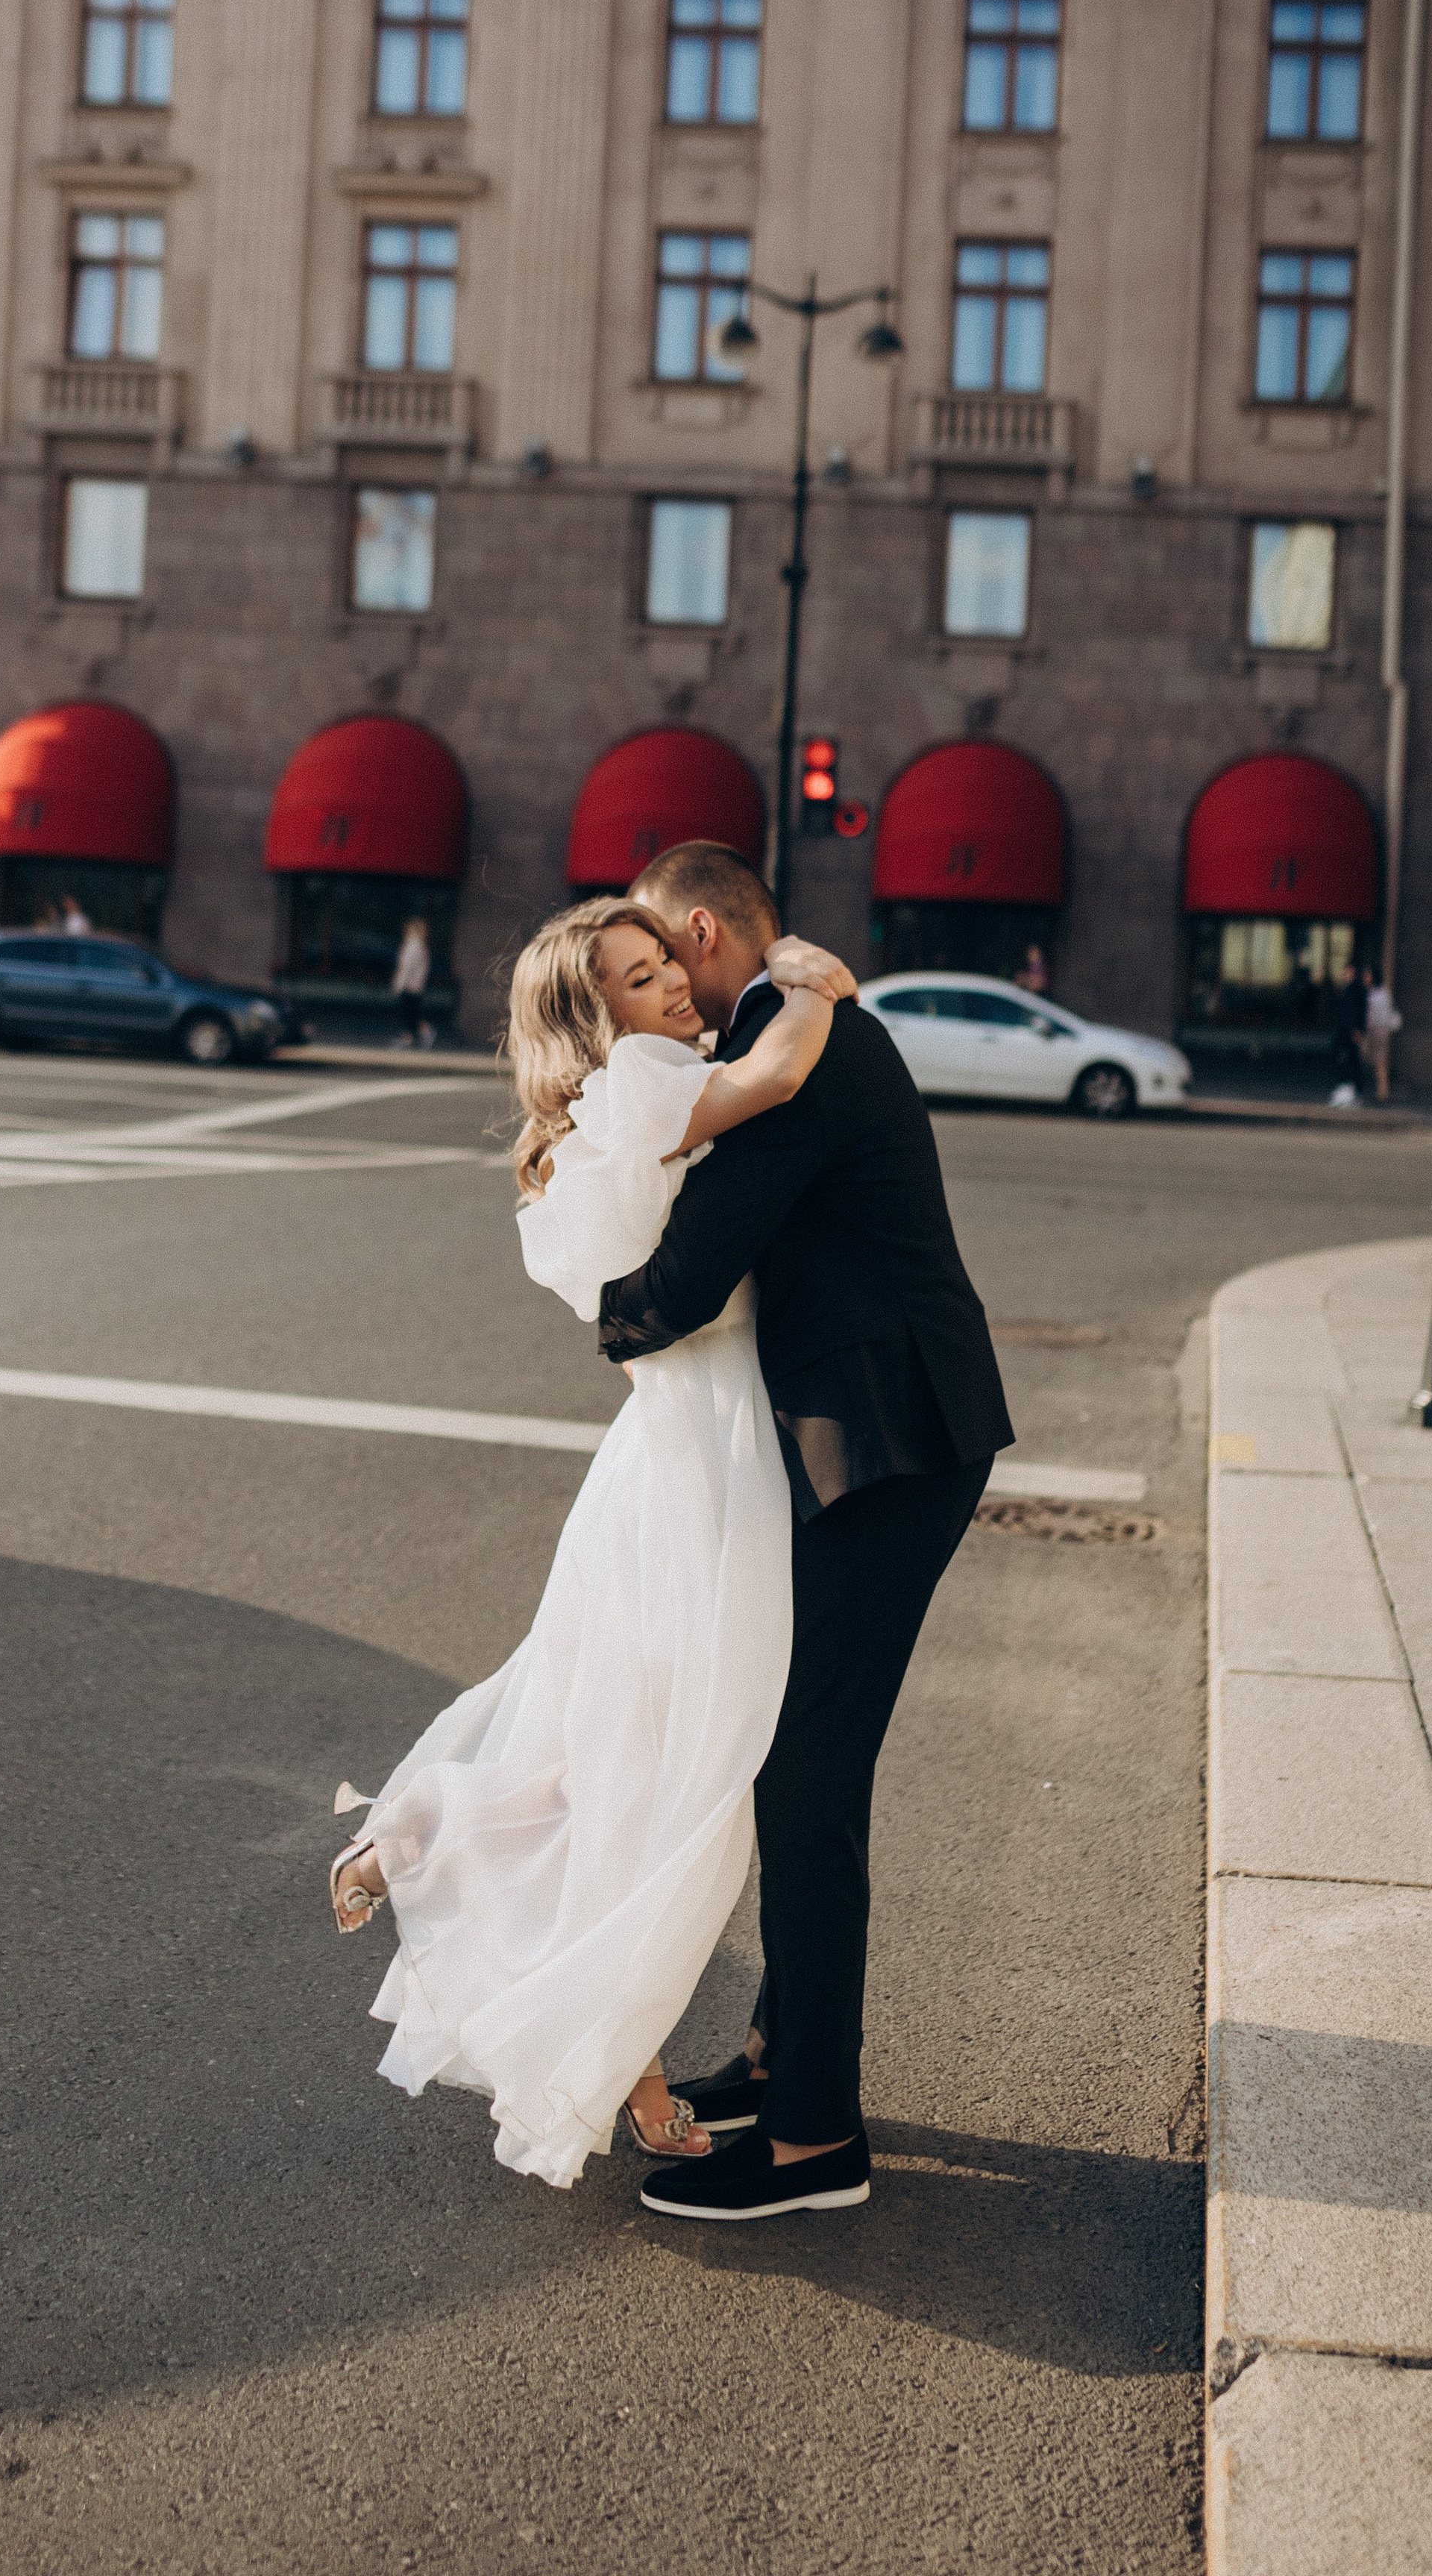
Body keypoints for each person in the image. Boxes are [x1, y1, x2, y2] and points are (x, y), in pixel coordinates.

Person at [329, 898, 859, 2187]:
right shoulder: (646, 1087)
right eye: (641, 976)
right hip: (710, 1465)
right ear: (599, 1016)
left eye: (668, 962)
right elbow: (784, 1067)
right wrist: (815, 979)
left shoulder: (585, 1128)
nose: (678, 986)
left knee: (623, 1755)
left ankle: (445, 1847)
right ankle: (584, 2019)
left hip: (657, 1459)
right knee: (684, 1772)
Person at [598, 841, 1012, 2224]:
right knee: (797, 1753)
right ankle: (786, 2058)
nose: (659, 992)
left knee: (806, 1781)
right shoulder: (802, 1017)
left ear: (704, 931)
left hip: (891, 1449)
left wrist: (598, 1306)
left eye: (660, 962)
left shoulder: (790, 1034)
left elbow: (693, 1267)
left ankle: (814, 2144)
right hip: (885, 1436)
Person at [1329, 958, 1367, 1106]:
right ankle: (1350, 1089)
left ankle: (1352, 1090)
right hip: (1346, 1028)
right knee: (1347, 1058)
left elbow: (1358, 1011)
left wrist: (1357, 1029)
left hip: (1350, 1029)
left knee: (1350, 1059)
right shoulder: (1351, 988)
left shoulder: (1356, 989)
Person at [392, 916, 433, 1047]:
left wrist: (399, 984)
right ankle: (414, 1035)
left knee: (408, 1013)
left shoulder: (412, 946)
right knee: (413, 1013)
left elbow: (406, 967)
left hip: (409, 986)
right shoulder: (421, 947)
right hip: (417, 985)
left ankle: (414, 1035)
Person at [1363, 969, 1399, 1105]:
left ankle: (1382, 1092)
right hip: (1383, 1030)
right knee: (1380, 1062)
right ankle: (1382, 1091)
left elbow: (1371, 1015)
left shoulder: (1373, 994)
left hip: (1375, 1030)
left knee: (1377, 1061)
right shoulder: (1384, 992)